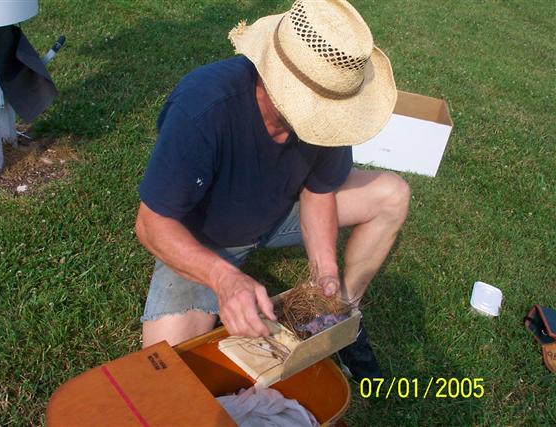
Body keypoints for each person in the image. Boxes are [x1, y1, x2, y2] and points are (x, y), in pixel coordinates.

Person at [135, 0, 410, 381]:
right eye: (317, 108)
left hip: (280, 211)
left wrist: (325, 269)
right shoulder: (203, 106)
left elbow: (318, 191)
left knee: (392, 195)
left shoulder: (331, 112)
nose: (324, 120)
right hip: (205, 239)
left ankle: (342, 316)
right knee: (165, 366)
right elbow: (151, 224)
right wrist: (222, 278)